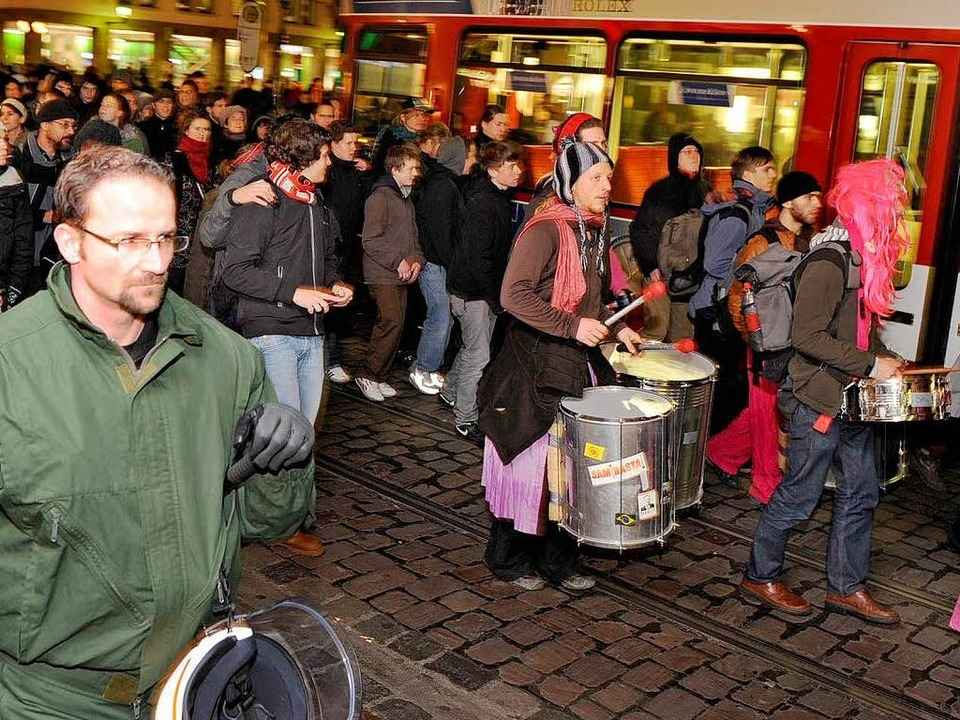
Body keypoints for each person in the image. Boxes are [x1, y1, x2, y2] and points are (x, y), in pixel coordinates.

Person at [0, 145, 315, 719]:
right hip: (45, 701)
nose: (156, 261)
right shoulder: (10, 362)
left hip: (192, 686)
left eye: (167, 238)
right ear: (71, 242)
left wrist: (284, 457)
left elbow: (272, 521)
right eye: (129, 241)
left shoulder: (228, 359)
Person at [741, 158, 907, 624]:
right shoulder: (829, 261)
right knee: (800, 494)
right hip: (818, 398)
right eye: (888, 210)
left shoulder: (862, 261)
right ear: (865, 210)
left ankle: (846, 587)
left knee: (862, 492)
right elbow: (807, 337)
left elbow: (857, 330)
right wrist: (872, 364)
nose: (894, 220)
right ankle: (761, 573)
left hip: (854, 401)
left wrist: (885, 360)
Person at [478, 140, 644, 591]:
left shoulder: (594, 228)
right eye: (597, 178)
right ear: (571, 183)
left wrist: (619, 327)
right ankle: (509, 558)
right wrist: (572, 326)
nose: (607, 186)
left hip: (574, 363)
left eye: (609, 177)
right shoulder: (545, 230)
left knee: (569, 468)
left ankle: (558, 561)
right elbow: (514, 296)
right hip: (532, 364)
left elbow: (596, 296)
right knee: (529, 462)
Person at [222, 120, 351, 558]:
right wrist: (291, 292)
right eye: (325, 154)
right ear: (303, 156)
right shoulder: (262, 199)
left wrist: (335, 284)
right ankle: (271, 520)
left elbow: (327, 258)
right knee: (282, 433)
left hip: (310, 331)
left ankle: (294, 515)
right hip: (271, 328)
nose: (330, 161)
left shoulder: (315, 201)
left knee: (305, 432)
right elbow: (236, 270)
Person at [705, 171, 822, 503]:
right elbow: (738, 299)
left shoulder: (815, 241)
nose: (817, 203)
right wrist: (756, 341)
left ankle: (721, 453)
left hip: (799, 343)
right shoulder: (761, 243)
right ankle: (766, 486)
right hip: (766, 345)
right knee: (768, 411)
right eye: (809, 197)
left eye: (818, 196)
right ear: (788, 201)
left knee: (769, 410)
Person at [689, 146, 778, 433]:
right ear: (749, 174)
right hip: (716, 312)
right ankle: (706, 450)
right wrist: (748, 268)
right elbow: (715, 263)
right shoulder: (737, 214)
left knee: (726, 385)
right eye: (768, 169)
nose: (774, 174)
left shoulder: (753, 209)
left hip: (723, 309)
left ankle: (709, 449)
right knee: (722, 386)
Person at [441, 141, 523, 441]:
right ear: (492, 170)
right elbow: (479, 258)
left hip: (477, 290)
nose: (518, 171)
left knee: (471, 347)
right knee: (479, 356)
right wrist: (495, 297)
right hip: (473, 292)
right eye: (510, 166)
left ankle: (449, 391)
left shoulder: (497, 197)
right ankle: (465, 418)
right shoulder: (484, 203)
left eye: (518, 165)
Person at [357, 142, 424, 402]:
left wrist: (417, 259)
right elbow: (370, 240)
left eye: (416, 168)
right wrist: (398, 261)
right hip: (382, 273)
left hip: (401, 273)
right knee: (390, 322)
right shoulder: (380, 197)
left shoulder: (406, 198)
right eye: (410, 168)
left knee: (397, 325)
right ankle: (368, 373)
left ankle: (380, 375)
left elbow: (414, 237)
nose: (415, 173)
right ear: (395, 169)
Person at [628, 133, 711, 341]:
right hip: (660, 275)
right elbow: (641, 230)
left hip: (691, 278)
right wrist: (650, 266)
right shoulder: (659, 192)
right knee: (657, 330)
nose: (694, 156)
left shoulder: (706, 191)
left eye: (697, 152)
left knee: (682, 337)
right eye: (687, 152)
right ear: (675, 157)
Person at [409, 123, 461, 396]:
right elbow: (440, 229)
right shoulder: (443, 185)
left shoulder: (441, 182)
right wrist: (449, 261)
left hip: (434, 258)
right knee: (440, 316)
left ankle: (429, 366)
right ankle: (423, 367)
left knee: (442, 316)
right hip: (434, 260)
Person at [323, 121, 372, 384]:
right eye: (349, 143)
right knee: (328, 304)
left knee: (340, 306)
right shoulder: (327, 173)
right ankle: (329, 360)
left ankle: (332, 358)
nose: (355, 148)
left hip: (348, 249)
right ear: (333, 144)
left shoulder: (356, 172)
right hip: (328, 249)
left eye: (357, 143)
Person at [169, 109, 216, 294]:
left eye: (207, 129)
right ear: (186, 131)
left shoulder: (208, 161)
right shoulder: (174, 159)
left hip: (199, 232)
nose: (203, 133)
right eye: (198, 129)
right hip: (179, 233)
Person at [0, 156, 32, 311]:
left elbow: (23, 239)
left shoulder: (14, 180)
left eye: (5, 138)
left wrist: (14, 289)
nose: (4, 146)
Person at [370, 97, 433, 175]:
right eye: (416, 115)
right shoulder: (391, 136)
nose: (422, 119)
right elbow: (380, 165)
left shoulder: (428, 138)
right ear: (403, 117)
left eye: (425, 115)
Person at [139, 88, 178, 163]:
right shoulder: (143, 127)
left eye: (169, 102)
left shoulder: (177, 127)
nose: (165, 106)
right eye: (161, 102)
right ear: (154, 105)